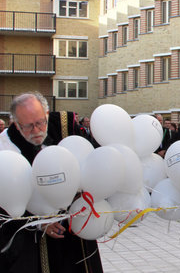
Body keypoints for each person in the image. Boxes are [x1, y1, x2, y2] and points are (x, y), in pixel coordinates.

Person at [0, 92, 103, 273]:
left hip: (72, 231)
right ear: (15, 124)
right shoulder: (5, 148)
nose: (37, 130)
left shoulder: (60, 131)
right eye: (28, 126)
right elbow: (7, 200)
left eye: (40, 122)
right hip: (29, 240)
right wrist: (38, 222)